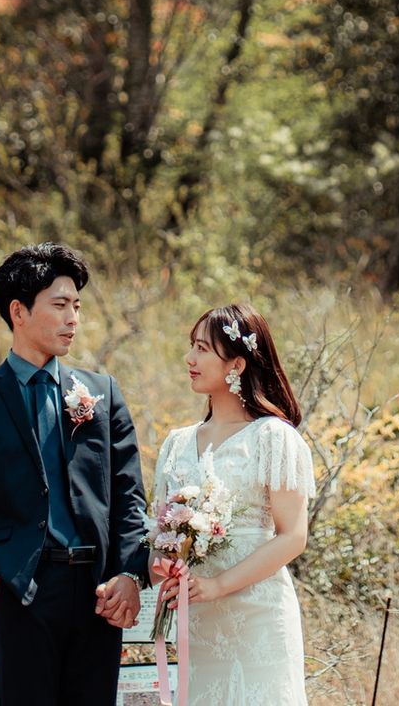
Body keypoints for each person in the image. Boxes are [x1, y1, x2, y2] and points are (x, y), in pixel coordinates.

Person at [0, 241, 149, 706]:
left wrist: (130, 574)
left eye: (77, 306)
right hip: (22, 594)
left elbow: (129, 495)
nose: (73, 319)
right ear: (19, 311)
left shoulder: (103, 393)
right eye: (60, 305)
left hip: (97, 595)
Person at [152, 302, 315, 705]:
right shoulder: (176, 443)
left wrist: (219, 585)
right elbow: (159, 531)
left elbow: (293, 536)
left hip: (259, 617)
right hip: (198, 621)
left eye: (202, 348)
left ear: (237, 365)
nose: (189, 358)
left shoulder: (273, 437)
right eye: (191, 346)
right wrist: (162, 565)